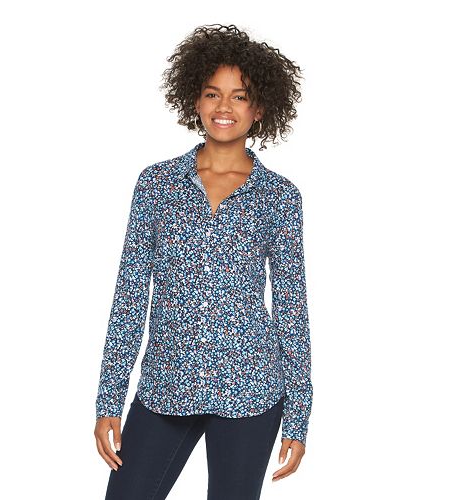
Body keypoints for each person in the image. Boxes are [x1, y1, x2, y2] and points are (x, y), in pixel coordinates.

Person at [93, 24, 313, 500]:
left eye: (239, 96)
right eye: (213, 93)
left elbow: (291, 308)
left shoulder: (280, 197)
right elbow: (131, 294)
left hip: (250, 388)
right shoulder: (157, 185)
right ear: (195, 100)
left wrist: (299, 414)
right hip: (165, 383)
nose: (224, 107)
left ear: (259, 108)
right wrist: (110, 396)